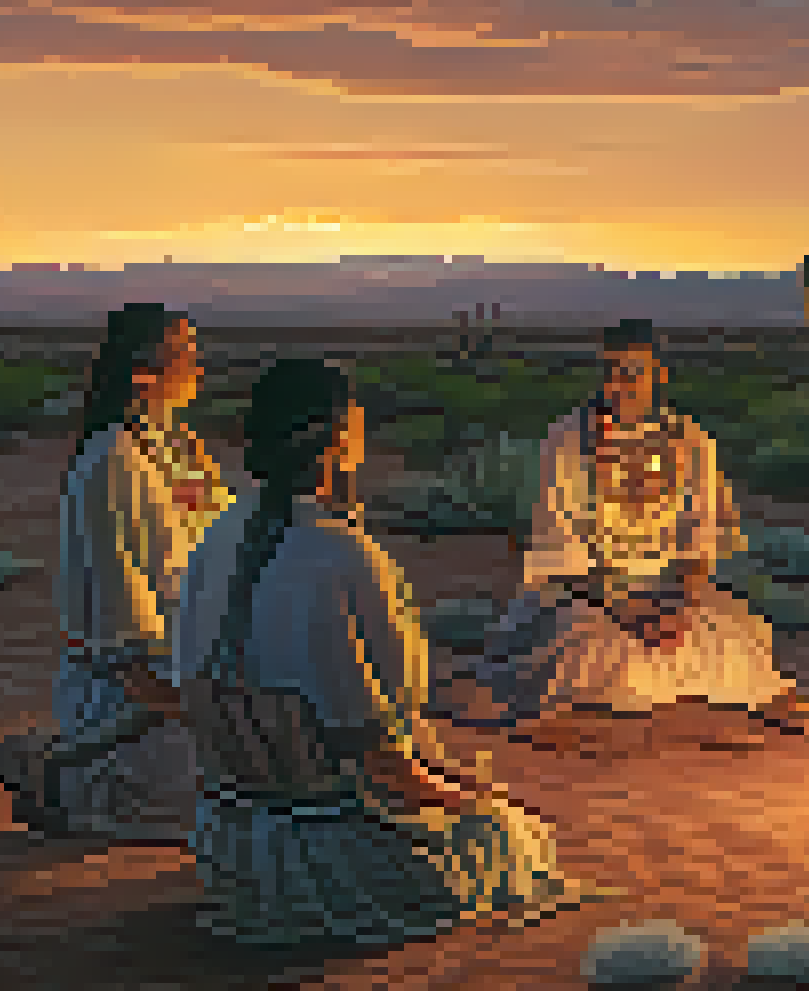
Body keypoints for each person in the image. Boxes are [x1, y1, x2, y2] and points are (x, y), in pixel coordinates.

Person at [176, 359, 596, 946]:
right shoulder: (342, 555)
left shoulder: (213, 535)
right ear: (338, 440)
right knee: (513, 834)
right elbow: (375, 753)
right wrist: (466, 795)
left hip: (230, 845)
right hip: (328, 852)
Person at [442, 318, 809, 749]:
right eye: (610, 371)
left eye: (632, 372)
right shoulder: (569, 441)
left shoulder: (691, 441)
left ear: (658, 375)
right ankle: (551, 713)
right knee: (588, 640)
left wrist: (682, 602)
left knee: (735, 628)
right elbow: (561, 545)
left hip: (668, 587)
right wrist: (629, 608)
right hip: (585, 592)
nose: (619, 384)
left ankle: (756, 699)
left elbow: (703, 532)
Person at [0, 303, 231, 841]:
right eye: (183, 354)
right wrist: (146, 671)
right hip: (133, 672)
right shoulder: (111, 456)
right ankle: (62, 772)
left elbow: (221, 533)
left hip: (194, 654)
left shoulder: (180, 446)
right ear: (144, 368)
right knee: (203, 809)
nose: (197, 367)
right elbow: (112, 573)